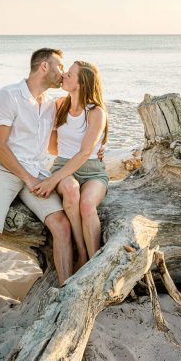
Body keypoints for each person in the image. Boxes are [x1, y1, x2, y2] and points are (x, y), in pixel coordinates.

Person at [0, 48, 73, 325]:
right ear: (43, 67)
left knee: (61, 225)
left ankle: (65, 300)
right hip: (2, 169)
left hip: (37, 171)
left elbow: (54, 144)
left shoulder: (51, 103)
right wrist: (27, 179)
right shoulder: (8, 96)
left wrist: (89, 150)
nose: (62, 71)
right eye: (59, 65)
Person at [34, 60, 109, 269]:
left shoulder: (96, 112)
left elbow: (86, 152)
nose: (64, 75)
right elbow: (54, 149)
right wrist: (56, 176)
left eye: (69, 74)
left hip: (93, 170)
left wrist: (51, 180)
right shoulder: (59, 105)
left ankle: (95, 264)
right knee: (70, 189)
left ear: (81, 83)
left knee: (87, 205)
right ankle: (81, 251)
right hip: (63, 167)